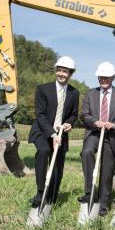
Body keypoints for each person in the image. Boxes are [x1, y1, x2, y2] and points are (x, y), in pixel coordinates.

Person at [79, 62, 115, 216]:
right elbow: (84, 114)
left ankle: (103, 203)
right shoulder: (90, 93)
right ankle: (90, 193)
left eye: (107, 77)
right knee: (87, 152)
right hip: (94, 133)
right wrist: (95, 122)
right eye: (101, 77)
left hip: (112, 136)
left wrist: (114, 124)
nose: (104, 79)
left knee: (107, 171)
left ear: (113, 77)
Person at [28, 56, 79, 208]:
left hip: (61, 133)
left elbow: (73, 114)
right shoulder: (43, 89)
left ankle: (52, 197)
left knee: (58, 164)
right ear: (56, 71)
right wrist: (52, 134)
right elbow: (40, 115)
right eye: (60, 70)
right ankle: (40, 191)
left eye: (65, 72)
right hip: (43, 131)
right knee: (43, 151)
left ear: (71, 74)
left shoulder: (74, 93)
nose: (62, 74)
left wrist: (69, 124)